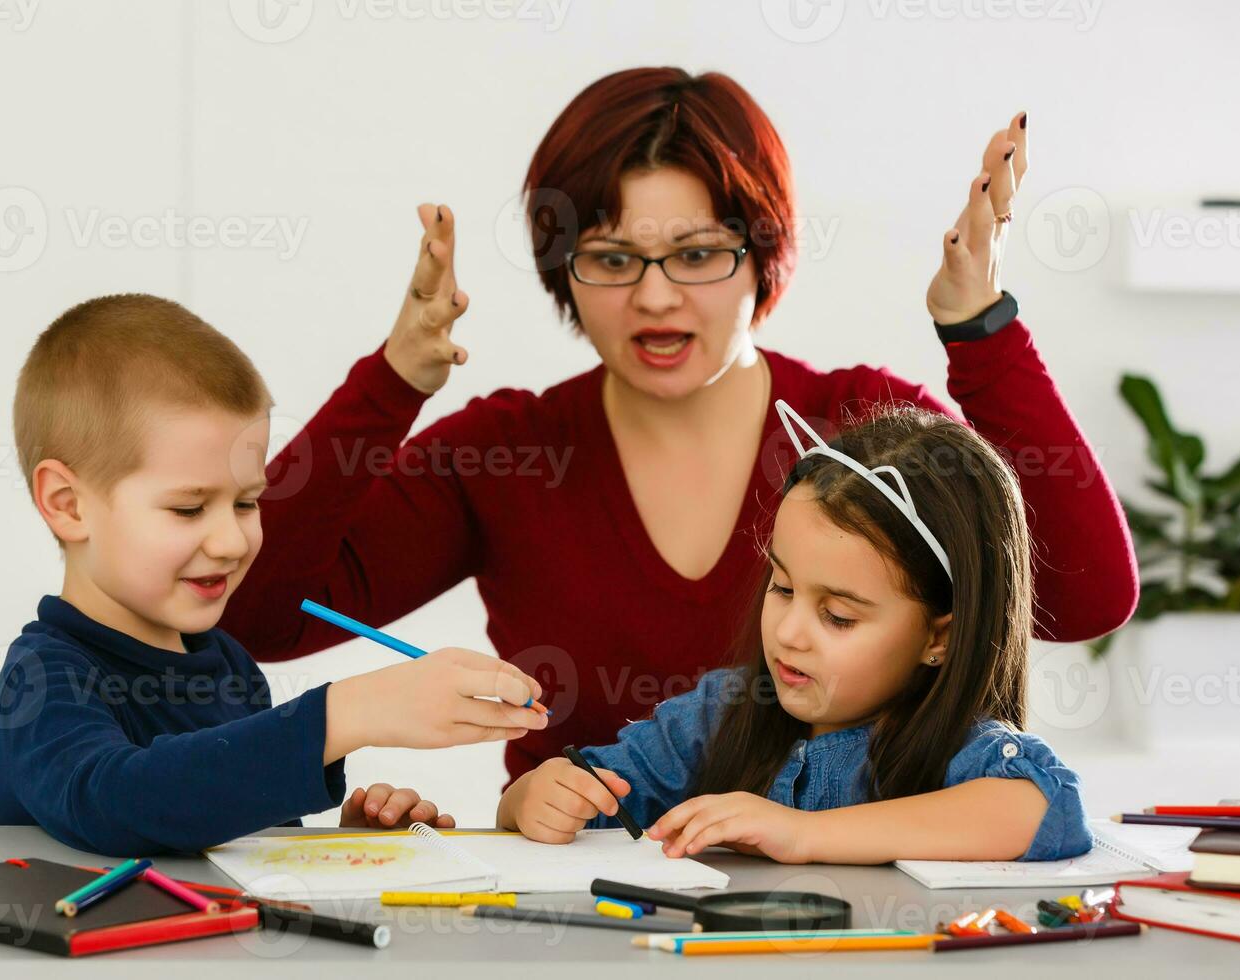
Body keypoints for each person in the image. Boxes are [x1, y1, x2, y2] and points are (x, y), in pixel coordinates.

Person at [220, 67, 1137, 787]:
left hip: (840, 897)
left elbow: (1086, 597)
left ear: (762, 256)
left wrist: (979, 332)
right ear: (561, 267)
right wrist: (391, 383)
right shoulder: (505, 453)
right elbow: (257, 615)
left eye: (698, 254)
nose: (655, 298)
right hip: (586, 901)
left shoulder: (861, 430)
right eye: (613, 257)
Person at [0, 294, 545, 855]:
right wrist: (346, 713)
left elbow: (229, 847)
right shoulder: (41, 678)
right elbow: (119, 800)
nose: (232, 542)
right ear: (68, 504)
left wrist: (341, 848)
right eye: (188, 508)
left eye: (247, 503)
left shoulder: (229, 665)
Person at [498, 403, 1089, 862]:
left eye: (838, 617)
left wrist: (802, 833)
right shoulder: (716, 718)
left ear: (942, 639)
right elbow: (579, 796)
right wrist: (535, 798)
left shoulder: (964, 752)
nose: (790, 632)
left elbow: (1044, 807)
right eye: (781, 588)